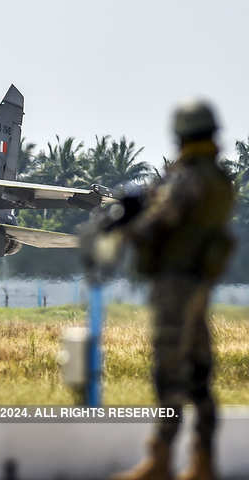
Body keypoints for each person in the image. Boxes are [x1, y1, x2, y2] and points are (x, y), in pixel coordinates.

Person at [108, 100, 235, 480]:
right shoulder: (218, 179)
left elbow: (158, 223)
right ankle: (203, 459)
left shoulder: (188, 179)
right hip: (198, 282)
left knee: (170, 372)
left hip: (175, 284)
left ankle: (160, 458)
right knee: (199, 372)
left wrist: (126, 226)